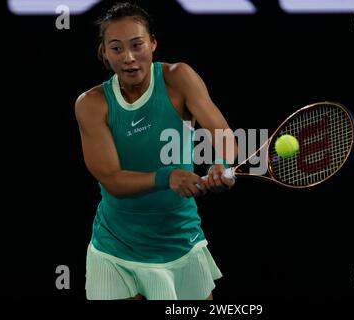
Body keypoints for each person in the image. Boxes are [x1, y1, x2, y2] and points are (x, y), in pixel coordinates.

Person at [75, 2, 237, 300]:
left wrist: (222, 163)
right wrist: (167, 176)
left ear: (153, 43)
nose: (129, 57)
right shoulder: (91, 104)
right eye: (117, 48)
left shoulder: (179, 78)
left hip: (180, 240)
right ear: (104, 52)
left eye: (137, 45)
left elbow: (223, 133)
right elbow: (112, 180)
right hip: (117, 249)